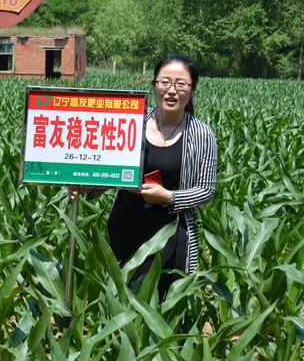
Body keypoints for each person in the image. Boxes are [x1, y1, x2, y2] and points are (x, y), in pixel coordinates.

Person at [69, 55, 217, 299]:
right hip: (124, 227)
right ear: (154, 84)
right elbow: (109, 167)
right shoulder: (132, 121)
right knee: (119, 303)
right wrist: (87, 185)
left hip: (171, 234)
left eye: (181, 84)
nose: (172, 90)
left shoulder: (201, 134)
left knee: (164, 306)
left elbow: (205, 190)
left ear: (192, 90)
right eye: (165, 82)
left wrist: (168, 196)